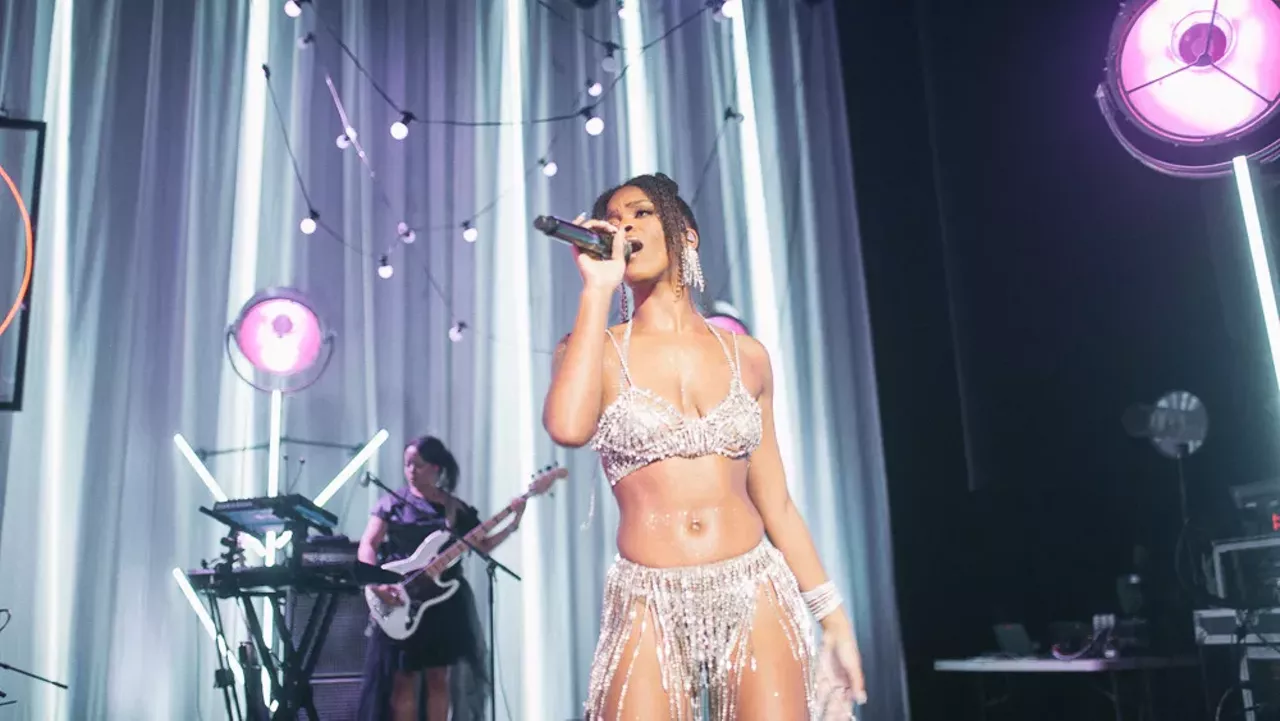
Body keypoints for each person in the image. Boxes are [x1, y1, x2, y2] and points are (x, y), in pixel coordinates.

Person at [543, 173, 866, 720]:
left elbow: (778, 505)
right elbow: (568, 429)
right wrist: (597, 290)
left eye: (641, 212)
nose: (625, 225)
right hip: (648, 595)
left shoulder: (749, 357)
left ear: (686, 235)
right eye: (615, 218)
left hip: (754, 586)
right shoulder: (591, 348)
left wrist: (834, 619)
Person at [356, 435, 526, 721]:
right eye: (407, 464)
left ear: (436, 468)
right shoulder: (391, 504)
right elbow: (368, 544)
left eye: (418, 465)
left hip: (442, 602)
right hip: (400, 598)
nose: (410, 470)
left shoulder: (454, 508)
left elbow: (481, 546)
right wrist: (376, 583)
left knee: (439, 678)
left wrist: (514, 523)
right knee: (403, 679)